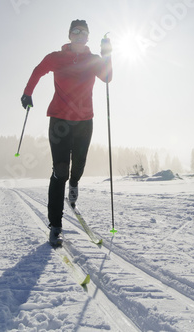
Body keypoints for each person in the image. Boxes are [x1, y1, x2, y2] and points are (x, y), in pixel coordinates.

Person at [21, 20, 112, 247]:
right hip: (60, 121)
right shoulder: (56, 57)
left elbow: (108, 77)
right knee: (60, 171)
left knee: (78, 166)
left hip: (84, 122)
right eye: (76, 32)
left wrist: (107, 54)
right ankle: (56, 226)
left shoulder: (93, 61)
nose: (80, 36)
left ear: (88, 38)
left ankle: (74, 184)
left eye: (84, 33)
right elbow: (38, 70)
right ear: (70, 35)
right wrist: (27, 93)